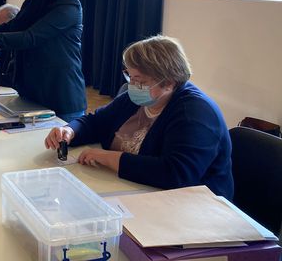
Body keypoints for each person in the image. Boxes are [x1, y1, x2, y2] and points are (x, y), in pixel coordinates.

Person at [44, 36, 234, 199]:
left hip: (192, 208)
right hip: (131, 190)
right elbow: (96, 122)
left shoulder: (195, 114)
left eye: (140, 80)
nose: (132, 85)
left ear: (168, 83)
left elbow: (175, 174)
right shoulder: (137, 98)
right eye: (130, 77)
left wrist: (108, 158)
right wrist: (69, 131)